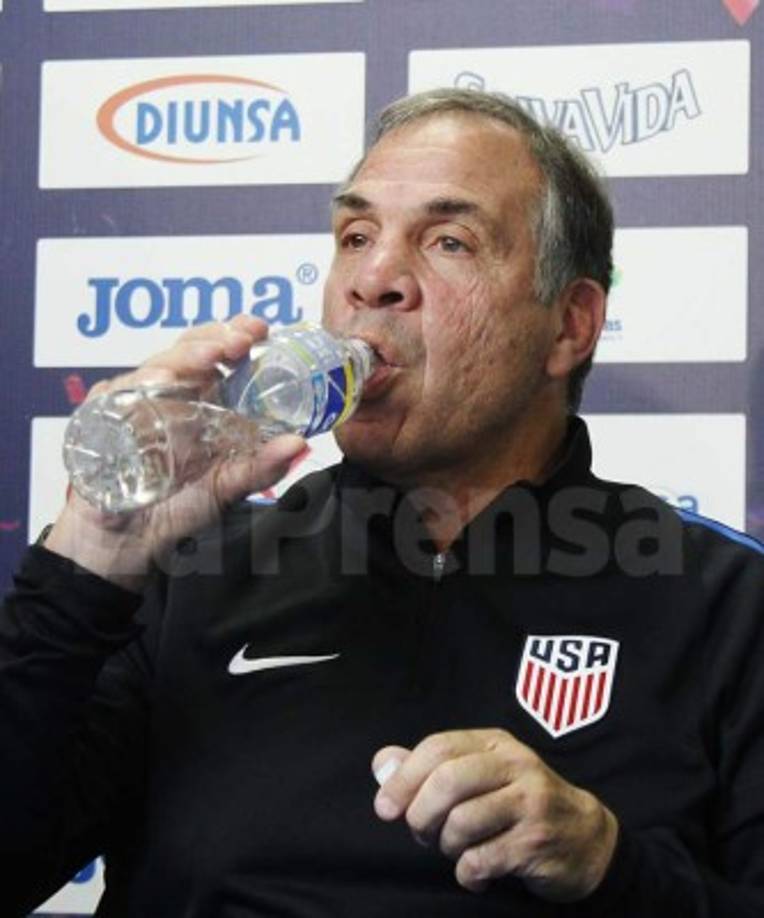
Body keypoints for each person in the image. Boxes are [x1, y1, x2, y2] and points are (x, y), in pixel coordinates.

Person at [2, 88, 763, 917]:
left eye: (449, 241)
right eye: (356, 236)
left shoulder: (723, 603)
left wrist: (610, 865)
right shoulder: (192, 573)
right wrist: (86, 563)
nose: (374, 280)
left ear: (570, 328)